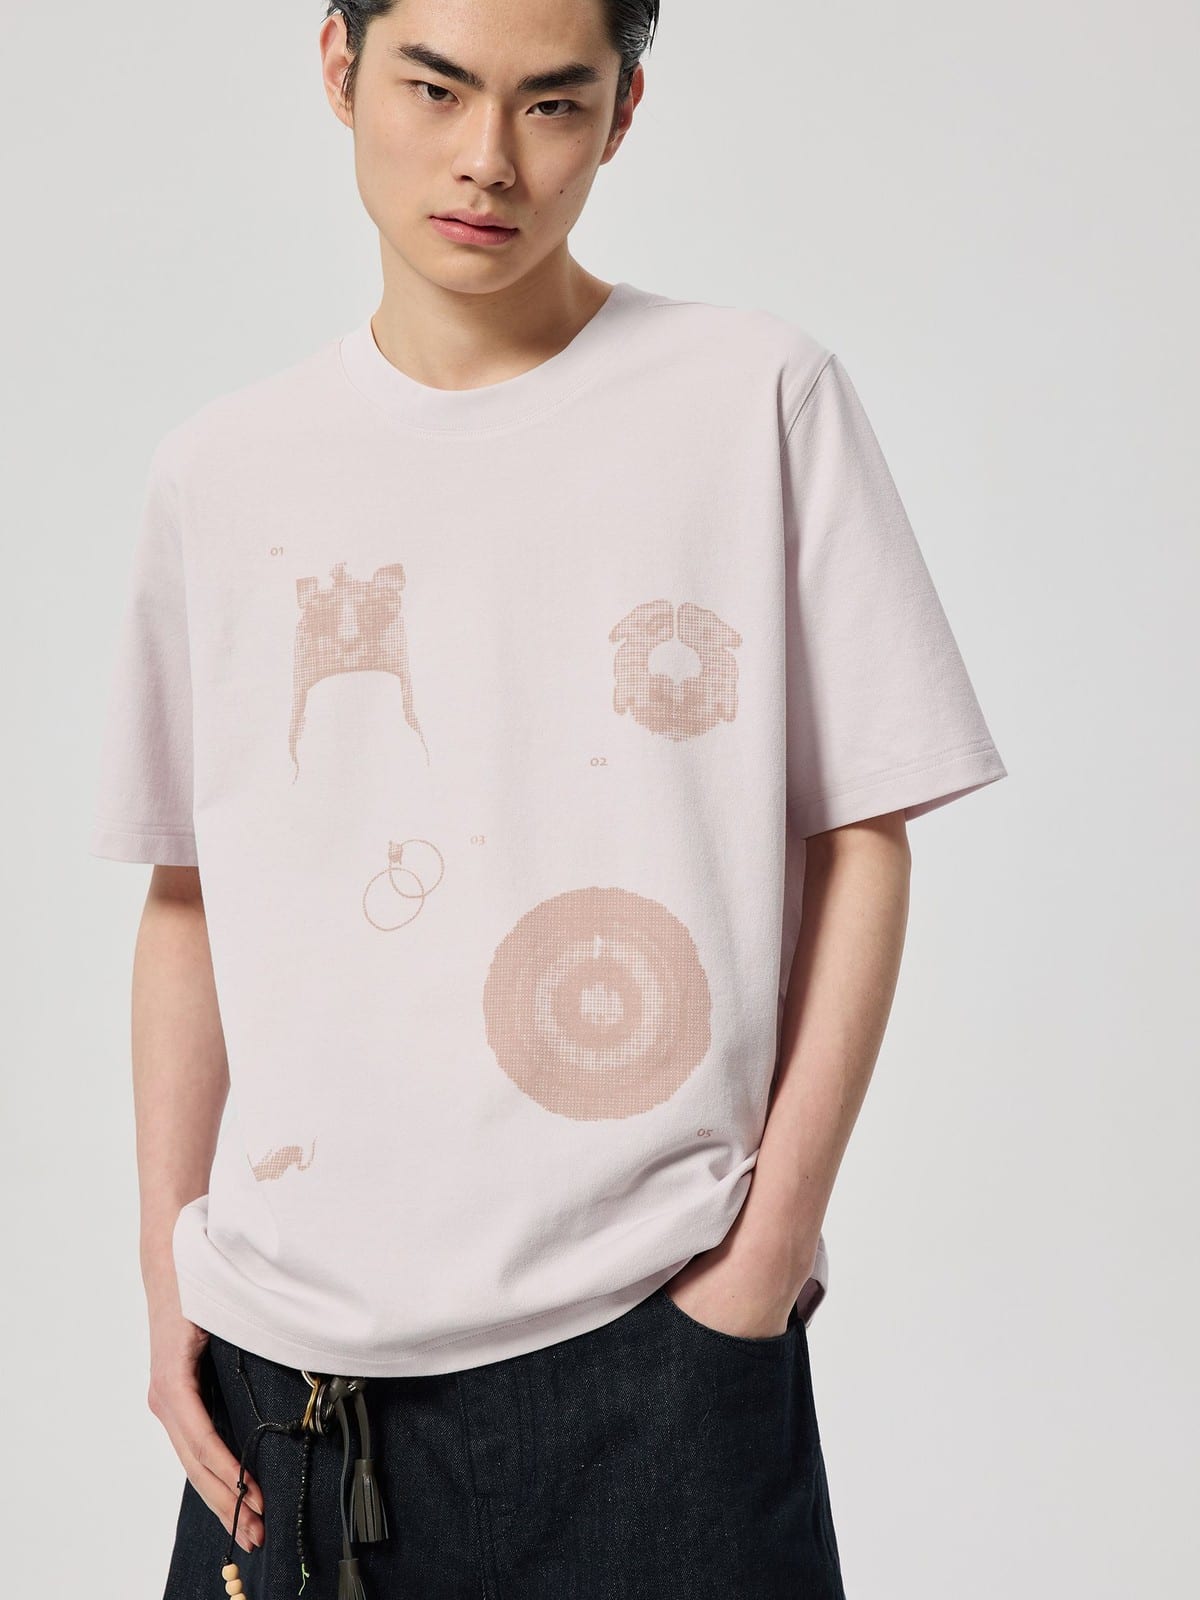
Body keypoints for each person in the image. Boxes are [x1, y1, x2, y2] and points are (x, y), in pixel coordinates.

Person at [89, 2, 1008, 1596]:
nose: (487, 161)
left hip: (653, 1359)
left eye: (553, 105)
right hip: (283, 1380)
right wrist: (171, 1282)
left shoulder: (753, 397)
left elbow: (865, 830)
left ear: (625, 110)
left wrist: (763, 1259)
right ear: (339, 67)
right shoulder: (224, 471)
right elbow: (189, 893)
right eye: (436, 88)